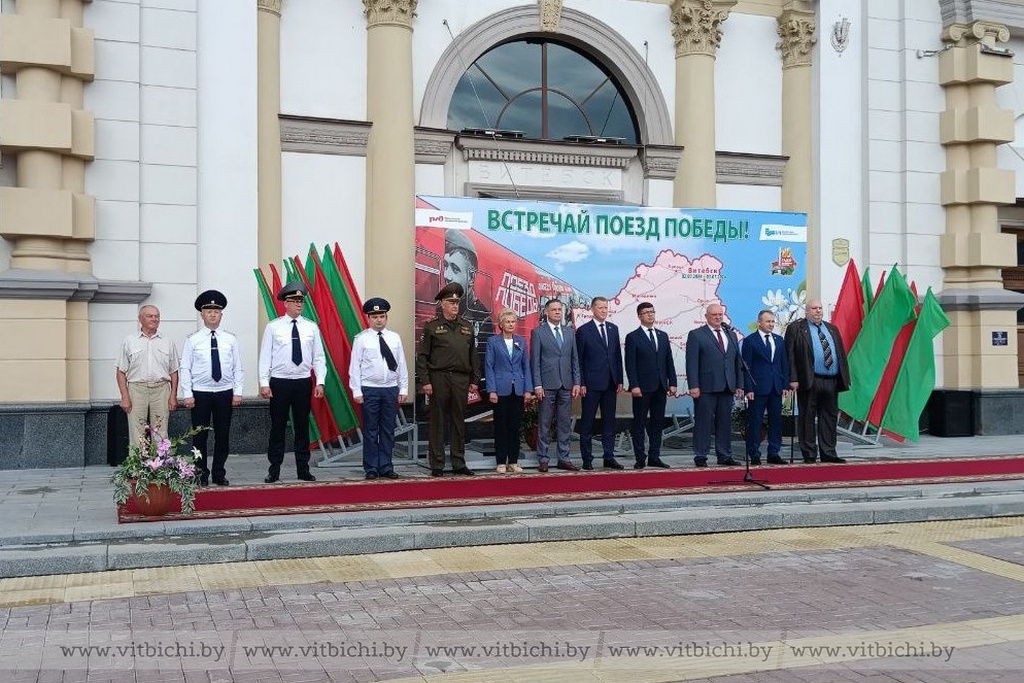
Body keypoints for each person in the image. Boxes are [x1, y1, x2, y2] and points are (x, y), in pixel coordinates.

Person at [258, 282, 326, 483]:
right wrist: (264, 382)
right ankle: (274, 470)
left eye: (301, 301)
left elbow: (319, 357)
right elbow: (265, 357)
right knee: (277, 427)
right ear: (285, 303)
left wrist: (320, 382)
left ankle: (303, 469)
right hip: (280, 383)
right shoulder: (274, 327)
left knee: (302, 427)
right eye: (294, 301)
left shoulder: (311, 327)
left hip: (302, 382)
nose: (298, 304)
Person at [179, 290, 244, 486]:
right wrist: (187, 394)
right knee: (199, 436)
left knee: (222, 436)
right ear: (202, 314)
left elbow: (237, 367)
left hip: (224, 392)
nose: (213, 315)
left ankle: (219, 473)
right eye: (209, 311)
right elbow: (185, 367)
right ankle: (200, 473)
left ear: (221, 314)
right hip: (200, 394)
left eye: (216, 311)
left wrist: (238, 392)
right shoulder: (193, 339)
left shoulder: (230, 339)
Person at [417, 282, 480, 477]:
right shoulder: (432, 327)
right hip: (439, 378)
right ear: (442, 304)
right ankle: (437, 464)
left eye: (457, 302)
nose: (455, 306)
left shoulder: (467, 327)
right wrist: (425, 381)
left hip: (461, 379)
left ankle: (458, 462)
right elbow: (422, 357)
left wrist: (475, 380)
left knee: (458, 421)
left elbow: (473, 356)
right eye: (451, 302)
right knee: (438, 421)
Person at [785, 299, 851, 464]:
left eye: (820, 308)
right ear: (806, 311)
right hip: (809, 379)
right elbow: (790, 355)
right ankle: (809, 453)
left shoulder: (832, 328)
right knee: (807, 416)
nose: (818, 311)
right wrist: (793, 378)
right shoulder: (796, 328)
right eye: (814, 308)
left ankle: (828, 452)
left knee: (829, 417)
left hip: (831, 381)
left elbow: (840, 353)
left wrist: (843, 377)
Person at [349, 297, 409, 480]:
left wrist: (403, 388)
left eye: (382, 316)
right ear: (368, 318)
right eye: (375, 317)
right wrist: (356, 391)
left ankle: (386, 466)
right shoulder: (361, 339)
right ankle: (371, 467)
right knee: (370, 430)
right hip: (370, 389)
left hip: (390, 389)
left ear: (386, 317)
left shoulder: (394, 338)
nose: (379, 320)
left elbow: (401, 364)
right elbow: (355, 366)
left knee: (388, 430)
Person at [685, 303, 744, 468]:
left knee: (725, 423)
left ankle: (724, 455)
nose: (718, 317)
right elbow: (691, 362)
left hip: (727, 386)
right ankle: (701, 455)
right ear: (706, 317)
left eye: (720, 314)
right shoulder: (697, 335)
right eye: (714, 315)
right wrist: (694, 385)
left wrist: (739, 384)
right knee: (704, 422)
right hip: (706, 387)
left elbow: (736, 361)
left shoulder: (731, 334)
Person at [116, 305, 180, 451]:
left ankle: (161, 463)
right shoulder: (129, 341)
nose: (154, 319)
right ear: (140, 319)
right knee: (137, 433)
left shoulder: (167, 341)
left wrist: (173, 396)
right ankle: (137, 465)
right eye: (149, 316)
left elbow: (174, 371)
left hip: (161, 389)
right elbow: (121, 371)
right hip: (136, 389)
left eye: (157, 316)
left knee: (160, 432)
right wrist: (124, 397)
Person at [529, 298, 581, 472]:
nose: (558, 312)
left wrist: (577, 382)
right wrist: (537, 385)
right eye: (554, 309)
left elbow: (574, 359)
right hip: (547, 385)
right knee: (544, 423)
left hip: (566, 384)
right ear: (546, 312)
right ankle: (543, 458)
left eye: (560, 309)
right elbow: (535, 361)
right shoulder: (538, 332)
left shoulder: (569, 332)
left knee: (564, 424)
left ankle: (563, 458)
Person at [624, 302, 677, 469]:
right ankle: (640, 458)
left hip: (660, 386)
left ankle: (655, 456)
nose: (650, 315)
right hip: (642, 388)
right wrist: (634, 385)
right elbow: (630, 364)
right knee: (639, 424)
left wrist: (672, 382)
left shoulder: (662, 335)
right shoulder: (633, 337)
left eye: (652, 312)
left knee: (657, 423)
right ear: (639, 316)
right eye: (646, 312)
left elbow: (668, 360)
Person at [575, 296, 625, 470]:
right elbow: (579, 359)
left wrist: (620, 379)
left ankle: (609, 457)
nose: (604, 310)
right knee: (587, 423)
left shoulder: (613, 329)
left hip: (610, 383)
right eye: (600, 307)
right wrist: (581, 382)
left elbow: (617, 356)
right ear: (592, 309)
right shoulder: (583, 331)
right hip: (591, 384)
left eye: (606, 307)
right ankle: (587, 459)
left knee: (609, 423)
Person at [484, 308, 533, 473]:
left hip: (517, 389)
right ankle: (500, 462)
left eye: (513, 322)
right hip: (500, 390)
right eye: (508, 322)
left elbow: (526, 366)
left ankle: (513, 461)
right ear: (501, 324)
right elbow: (489, 366)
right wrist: (491, 390)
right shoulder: (493, 342)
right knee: (501, 426)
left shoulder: (521, 341)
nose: (511, 324)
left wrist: (528, 389)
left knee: (515, 426)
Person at [444, 228, 494, 385]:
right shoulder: (440, 311)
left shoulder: (483, 318)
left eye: (455, 269)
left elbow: (482, 359)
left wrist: (475, 381)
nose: (446, 275)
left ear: (471, 277)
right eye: (445, 266)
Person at [741, 309, 790, 466]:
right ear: (759, 322)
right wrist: (748, 388)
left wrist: (785, 384)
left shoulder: (779, 340)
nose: (771, 324)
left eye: (773, 321)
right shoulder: (750, 341)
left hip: (776, 387)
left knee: (776, 421)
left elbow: (784, 364)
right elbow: (746, 367)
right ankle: (754, 453)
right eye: (768, 321)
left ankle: (773, 452)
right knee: (755, 421)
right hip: (757, 388)